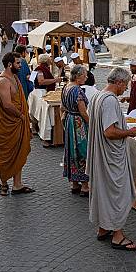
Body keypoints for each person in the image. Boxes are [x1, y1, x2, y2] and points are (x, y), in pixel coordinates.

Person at [86, 67, 136, 250]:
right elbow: (109, 132)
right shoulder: (109, 101)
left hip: (101, 155)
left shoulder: (97, 96)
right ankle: (117, 235)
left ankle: (103, 228)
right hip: (111, 157)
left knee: (104, 192)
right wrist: (129, 132)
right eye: (126, 85)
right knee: (118, 194)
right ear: (118, 82)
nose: (126, 88)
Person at [0, 52, 34, 196]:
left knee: (19, 152)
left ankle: (17, 185)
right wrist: (21, 115)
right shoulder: (3, 81)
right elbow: (7, 104)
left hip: (17, 122)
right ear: (10, 64)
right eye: (18, 63)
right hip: (7, 123)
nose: (20, 65)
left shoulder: (15, 77)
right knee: (5, 154)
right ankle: (4, 183)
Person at [62, 65, 90, 196]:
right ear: (78, 76)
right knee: (82, 150)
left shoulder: (66, 87)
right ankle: (85, 185)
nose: (86, 77)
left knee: (71, 150)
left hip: (69, 120)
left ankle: (74, 183)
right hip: (78, 123)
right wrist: (92, 123)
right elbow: (83, 112)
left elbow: (62, 107)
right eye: (84, 75)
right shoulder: (78, 91)